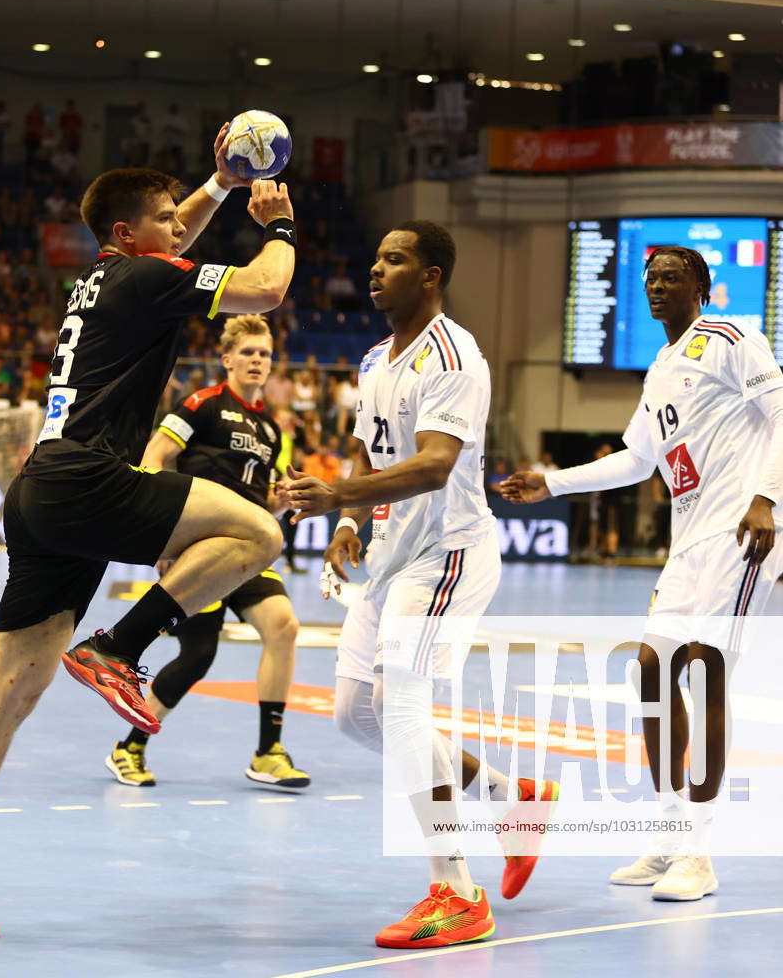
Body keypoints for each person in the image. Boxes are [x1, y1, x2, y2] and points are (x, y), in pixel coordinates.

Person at [0, 126, 298, 938]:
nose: (180, 226)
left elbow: (171, 225)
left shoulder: (107, 273)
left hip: (41, 490)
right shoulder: (148, 276)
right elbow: (264, 288)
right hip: (87, 480)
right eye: (165, 217)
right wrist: (279, 221)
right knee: (258, 533)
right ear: (130, 234)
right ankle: (122, 647)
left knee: (10, 690)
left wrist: (218, 182)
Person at [279, 221, 557, 949]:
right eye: (375, 257)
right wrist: (356, 521)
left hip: (448, 555)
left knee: (399, 703)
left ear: (431, 275)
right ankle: (513, 796)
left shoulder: (454, 355)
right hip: (393, 554)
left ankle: (456, 892)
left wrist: (337, 496)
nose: (375, 269)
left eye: (395, 260)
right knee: (353, 714)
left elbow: (434, 465)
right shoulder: (377, 356)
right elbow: (372, 447)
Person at [502, 245, 783, 901]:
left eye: (672, 276)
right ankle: (669, 833)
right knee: (651, 673)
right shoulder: (658, 368)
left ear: (702, 287)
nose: (657, 285)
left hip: (740, 536)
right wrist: (554, 483)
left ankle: (699, 855)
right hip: (688, 545)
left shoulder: (732, 336)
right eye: (651, 277)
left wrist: (768, 498)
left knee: (707, 674)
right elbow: (635, 459)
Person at [106, 314, 309, 790]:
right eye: (248, 353)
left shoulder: (272, 429)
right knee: (199, 653)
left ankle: (268, 753)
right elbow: (154, 457)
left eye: (264, 354)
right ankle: (129, 747)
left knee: (283, 626)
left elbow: (264, 502)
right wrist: (165, 536)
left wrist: (284, 504)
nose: (257, 361)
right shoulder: (201, 404)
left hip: (247, 551)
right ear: (227, 360)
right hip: (201, 546)